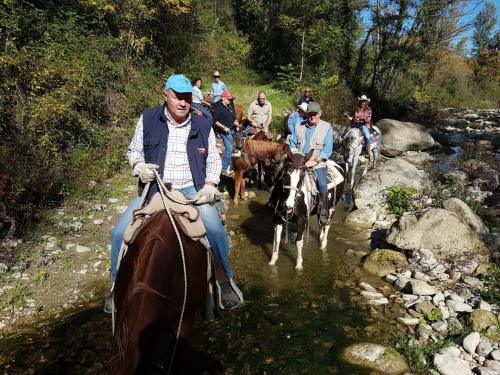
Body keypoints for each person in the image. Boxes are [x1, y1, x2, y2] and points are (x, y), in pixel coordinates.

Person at [107, 74, 242, 312]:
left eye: (187, 97)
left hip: (192, 190)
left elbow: (212, 159)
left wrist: (210, 186)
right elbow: (134, 150)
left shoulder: (201, 124)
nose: (183, 102)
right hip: (155, 189)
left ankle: (225, 279)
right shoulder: (148, 119)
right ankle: (117, 285)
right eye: (177, 96)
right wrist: (139, 166)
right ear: (165, 95)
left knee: (214, 228)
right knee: (119, 232)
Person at [289, 101, 333, 226]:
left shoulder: (327, 127)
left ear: (320, 113)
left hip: (317, 163)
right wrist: (296, 156)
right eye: (310, 114)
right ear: (306, 114)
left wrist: (315, 161)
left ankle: (323, 212)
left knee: (323, 183)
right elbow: (292, 143)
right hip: (298, 162)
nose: (312, 116)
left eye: (315, 114)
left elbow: (327, 150)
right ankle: (276, 202)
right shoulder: (298, 125)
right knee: (283, 176)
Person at [212, 90, 239, 175]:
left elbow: (233, 117)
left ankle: (233, 166)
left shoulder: (229, 107)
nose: (230, 100)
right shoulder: (218, 107)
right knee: (229, 149)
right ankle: (223, 168)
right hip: (223, 131)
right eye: (228, 99)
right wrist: (224, 127)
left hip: (233, 129)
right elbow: (214, 121)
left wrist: (236, 123)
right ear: (223, 98)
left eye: (230, 99)